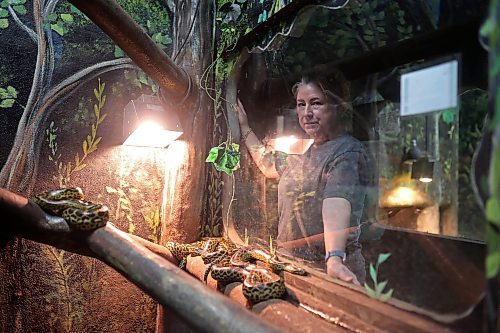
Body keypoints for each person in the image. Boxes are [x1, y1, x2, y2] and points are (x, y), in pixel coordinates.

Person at [236, 71, 373, 285]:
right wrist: (244, 127)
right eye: (301, 104)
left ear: (339, 106)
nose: (307, 113)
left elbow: (336, 203)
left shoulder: (347, 152)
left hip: (329, 274)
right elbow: (269, 165)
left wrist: (335, 258)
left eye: (316, 103)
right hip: (295, 267)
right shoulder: (307, 153)